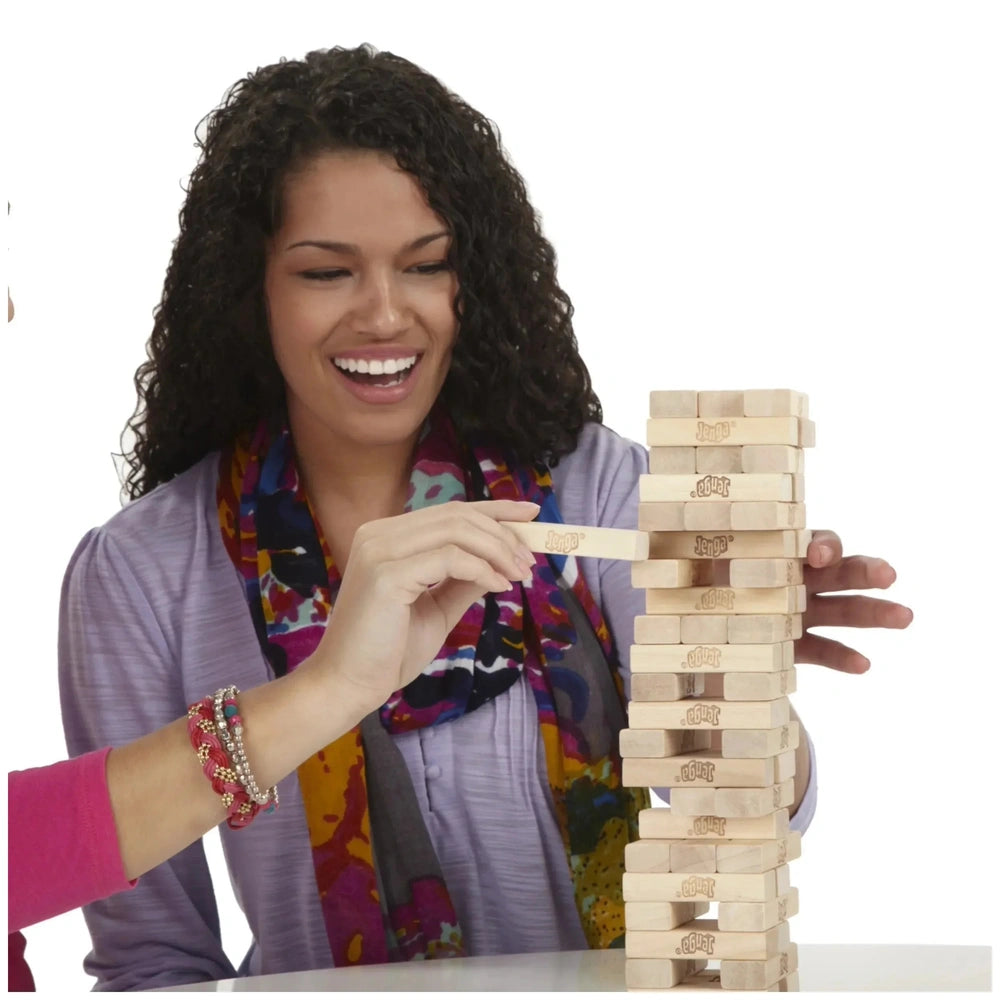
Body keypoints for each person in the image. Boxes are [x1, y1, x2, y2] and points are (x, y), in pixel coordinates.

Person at [56, 44, 912, 991]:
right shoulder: (139, 575)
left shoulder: (594, 488)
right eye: (325, 273)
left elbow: (750, 812)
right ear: (246, 291)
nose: (386, 315)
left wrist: (739, 677)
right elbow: (151, 960)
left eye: (428, 265)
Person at [6, 294, 538, 991]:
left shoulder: (604, 482)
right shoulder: (141, 561)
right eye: (325, 274)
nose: (12, 303)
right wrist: (331, 690)